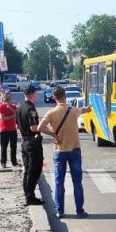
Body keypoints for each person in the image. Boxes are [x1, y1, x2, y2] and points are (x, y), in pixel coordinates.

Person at [39, 86, 93, 219]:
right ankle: (79, 211)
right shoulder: (73, 110)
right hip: (74, 150)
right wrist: (89, 108)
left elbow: (40, 127)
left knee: (59, 182)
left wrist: (53, 135)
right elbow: (83, 110)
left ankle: (59, 211)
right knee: (77, 182)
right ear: (65, 96)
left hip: (60, 151)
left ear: (54, 98)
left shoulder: (51, 113)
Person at [16, 86, 59, 206]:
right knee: (34, 170)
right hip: (33, 143)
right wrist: (47, 130)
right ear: (31, 94)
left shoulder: (19, 108)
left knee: (27, 170)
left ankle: (28, 195)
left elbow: (17, 127)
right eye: (35, 93)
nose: (37, 95)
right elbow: (34, 127)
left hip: (24, 141)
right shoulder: (30, 108)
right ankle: (30, 197)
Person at [0, 92, 19, 169]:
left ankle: (14, 162)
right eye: (6, 99)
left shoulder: (13, 106)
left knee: (13, 147)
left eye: (9, 99)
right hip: (4, 130)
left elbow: (17, 114)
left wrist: (10, 108)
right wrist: (13, 116)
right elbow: (3, 118)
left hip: (13, 129)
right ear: (3, 99)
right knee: (4, 147)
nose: (7, 100)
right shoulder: (0, 107)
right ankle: (3, 162)